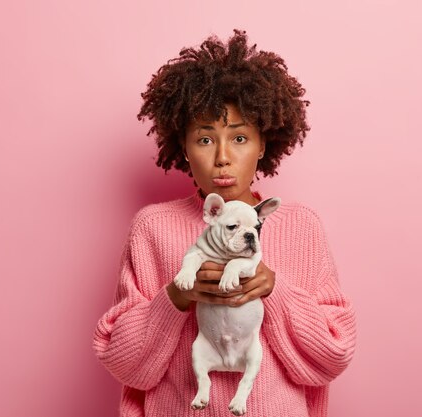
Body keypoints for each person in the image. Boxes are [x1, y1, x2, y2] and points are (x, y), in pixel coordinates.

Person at [92, 29, 356, 417]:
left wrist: (274, 290)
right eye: (204, 139)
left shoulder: (302, 225)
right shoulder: (152, 227)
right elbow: (123, 362)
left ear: (263, 144)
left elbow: (333, 354)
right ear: (183, 146)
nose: (221, 157)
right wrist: (178, 298)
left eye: (239, 138)